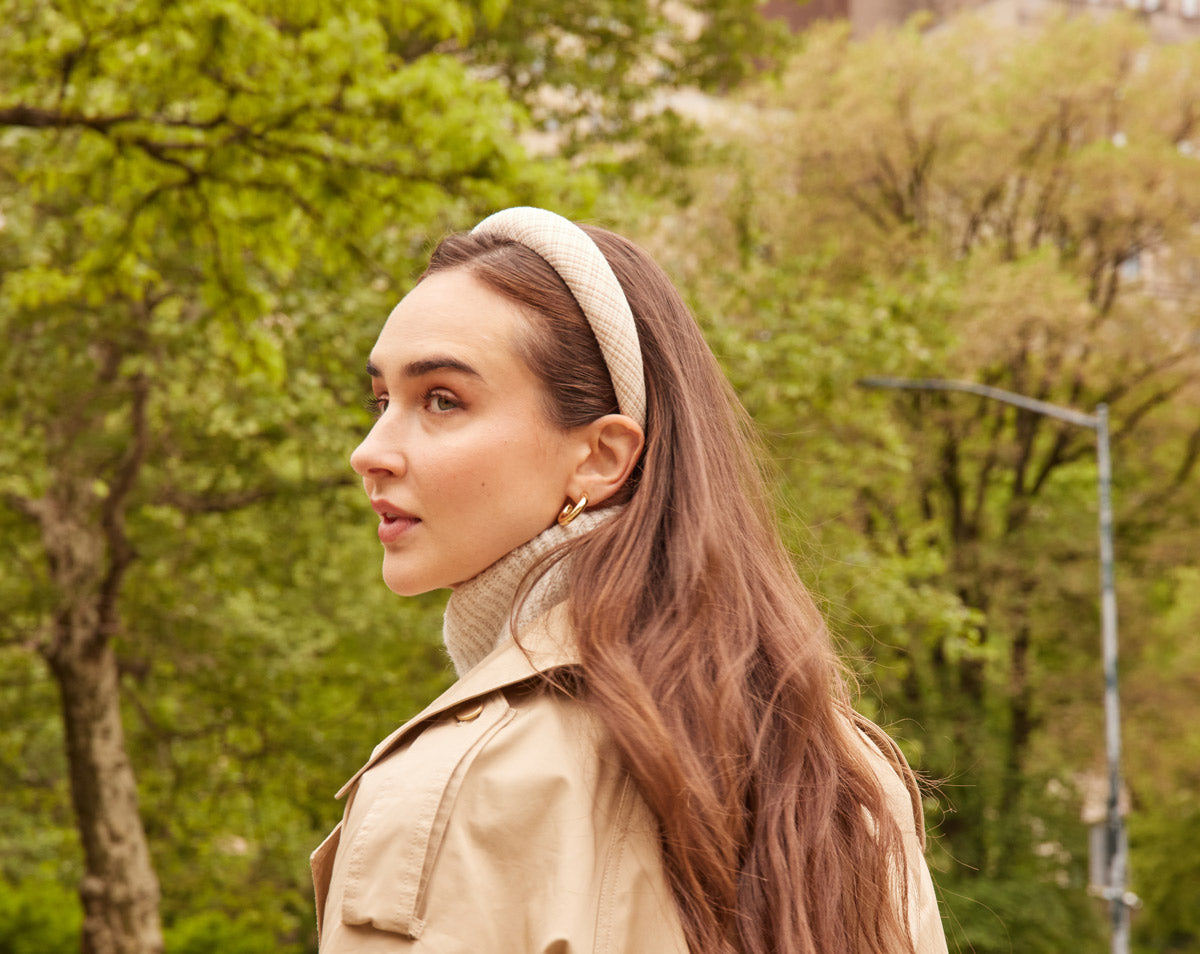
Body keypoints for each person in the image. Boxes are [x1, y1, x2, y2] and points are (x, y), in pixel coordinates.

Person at [311, 207, 949, 954]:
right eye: (381, 401)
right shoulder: (842, 774)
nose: (370, 452)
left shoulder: (451, 788)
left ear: (601, 457)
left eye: (442, 400)